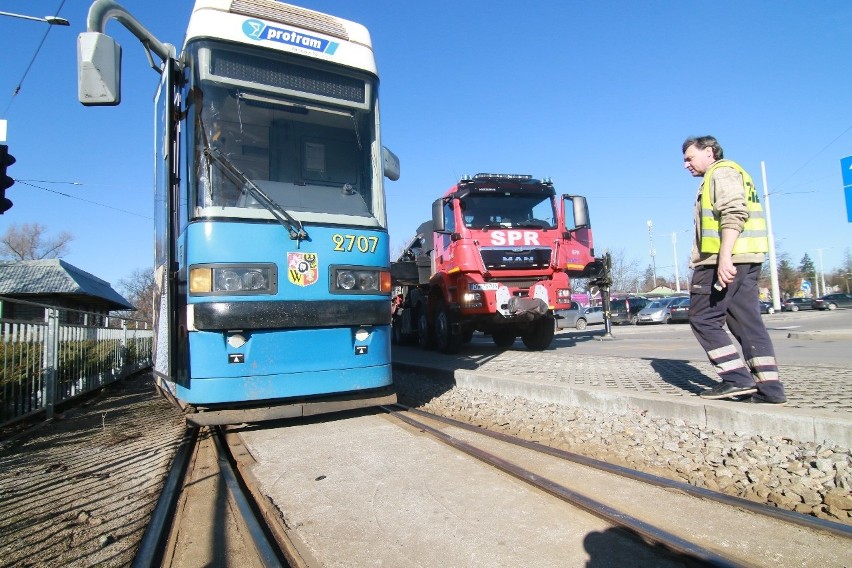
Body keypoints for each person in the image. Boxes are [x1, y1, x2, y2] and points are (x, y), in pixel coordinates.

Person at [682, 136, 787, 404]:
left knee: (703, 318)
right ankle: (770, 388)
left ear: (709, 152)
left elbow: (733, 213)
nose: (686, 164)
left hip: (721, 259)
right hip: (747, 259)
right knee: (746, 321)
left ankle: (736, 379)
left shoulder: (722, 172)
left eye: (689, 158)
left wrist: (724, 257)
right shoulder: (736, 173)